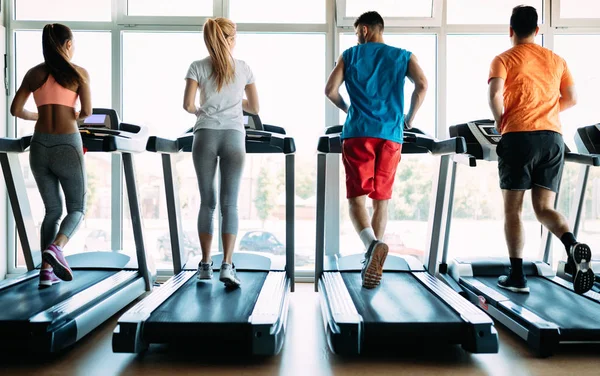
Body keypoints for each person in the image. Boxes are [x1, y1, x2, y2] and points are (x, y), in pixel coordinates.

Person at [488, 6, 594, 294]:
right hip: (552, 138)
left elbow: (496, 94)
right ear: (537, 30)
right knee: (544, 207)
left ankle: (517, 277)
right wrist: (544, 111)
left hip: (518, 137)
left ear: (510, 30)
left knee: (514, 210)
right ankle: (571, 245)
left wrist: (501, 121)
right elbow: (571, 98)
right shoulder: (556, 60)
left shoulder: (503, 59)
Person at [324, 11, 428, 289]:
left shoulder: (350, 55)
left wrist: (349, 110)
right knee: (381, 200)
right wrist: (408, 119)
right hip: (391, 135)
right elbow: (422, 85)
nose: (356, 36)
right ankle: (375, 260)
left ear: (366, 30)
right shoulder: (403, 55)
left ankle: (371, 247)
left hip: (358, 133)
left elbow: (330, 90)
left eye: (357, 30)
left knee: (357, 200)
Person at [10, 23, 92, 288]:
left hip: (39, 145)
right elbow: (88, 112)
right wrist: (73, 114)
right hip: (67, 144)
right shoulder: (79, 73)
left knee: (53, 210)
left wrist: (40, 114)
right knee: (77, 208)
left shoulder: (34, 74)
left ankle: (46, 273)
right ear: (68, 45)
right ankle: (57, 248)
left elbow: (16, 109)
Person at [183, 17, 259, 288]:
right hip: (234, 137)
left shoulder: (197, 66)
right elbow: (255, 108)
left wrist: (204, 109)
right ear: (229, 39)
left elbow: (187, 105)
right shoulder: (244, 68)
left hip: (204, 135)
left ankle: (205, 265)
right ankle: (227, 265)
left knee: (208, 202)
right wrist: (234, 101)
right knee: (230, 204)